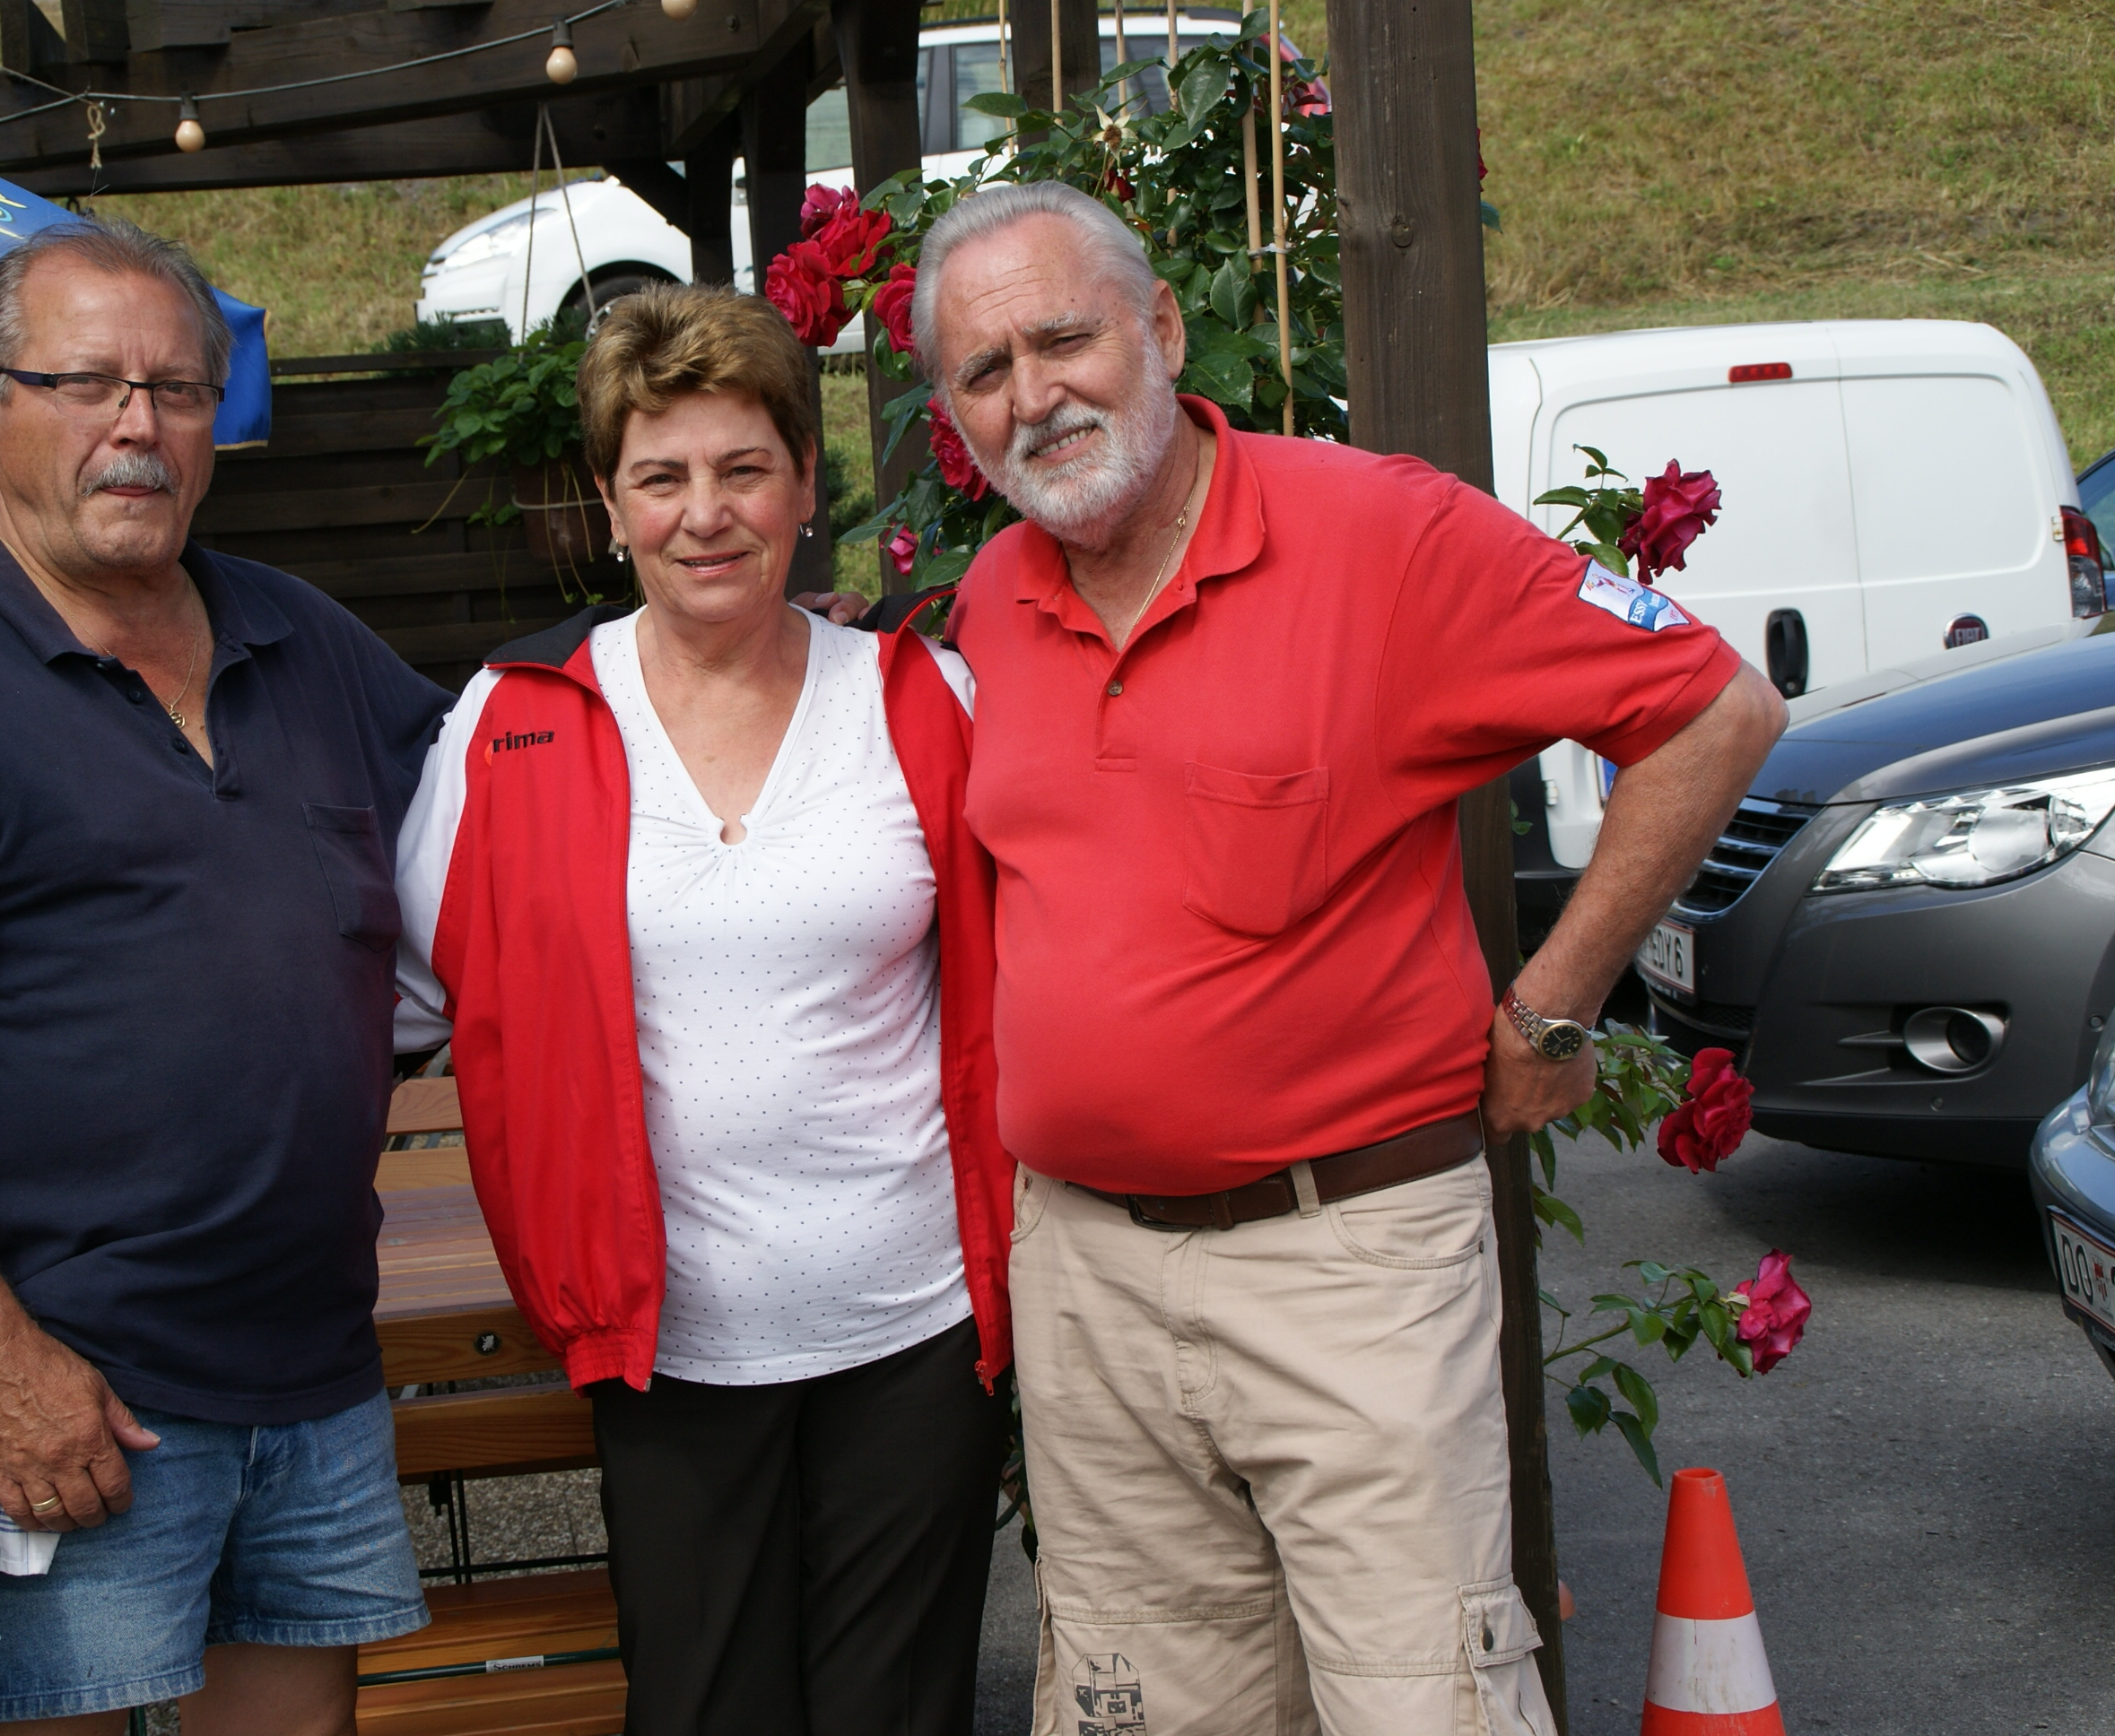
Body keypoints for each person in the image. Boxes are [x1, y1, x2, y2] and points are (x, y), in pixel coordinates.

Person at [814, 180, 1787, 1732]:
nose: (1032, 395)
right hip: (1091, 1282)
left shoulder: (1381, 534)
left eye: (1062, 339)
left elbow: (1714, 711)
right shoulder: (996, 597)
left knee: (1421, 1703)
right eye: (984, 370)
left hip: (1349, 1266)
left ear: (1161, 328)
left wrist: (1553, 1006)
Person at [0, 219, 449, 1736]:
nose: (138, 425)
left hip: (311, 1373)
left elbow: (505, 787)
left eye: (178, 390)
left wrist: (732, 653)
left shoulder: (298, 635)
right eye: (87, 385)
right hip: (69, 1394)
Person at [392, 282, 1014, 1735]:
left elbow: (1024, 970)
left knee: (896, 1712)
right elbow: (420, 984)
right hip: (663, 1336)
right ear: (610, 506)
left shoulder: (924, 698)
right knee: (702, 1707)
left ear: (804, 482)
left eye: (744, 468)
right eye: (661, 477)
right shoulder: (514, 721)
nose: (706, 514)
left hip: (915, 1325)